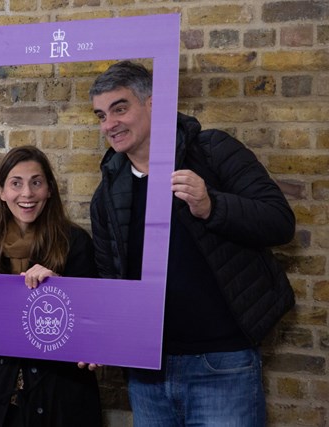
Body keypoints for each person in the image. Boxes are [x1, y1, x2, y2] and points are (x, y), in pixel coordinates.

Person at [88, 61, 295, 426]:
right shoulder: (107, 192)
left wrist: (212, 205)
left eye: (120, 109)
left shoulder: (212, 149)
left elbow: (279, 222)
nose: (109, 125)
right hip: (147, 372)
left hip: (222, 361)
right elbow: (111, 281)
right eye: (101, 115)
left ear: (153, 104)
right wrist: (102, 338)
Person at [0, 146, 102, 427]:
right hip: (1, 397)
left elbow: (93, 325)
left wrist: (61, 291)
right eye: (16, 183)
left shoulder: (75, 242)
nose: (27, 194)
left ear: (49, 190)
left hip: (60, 397)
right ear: (1, 192)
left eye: (36, 183)